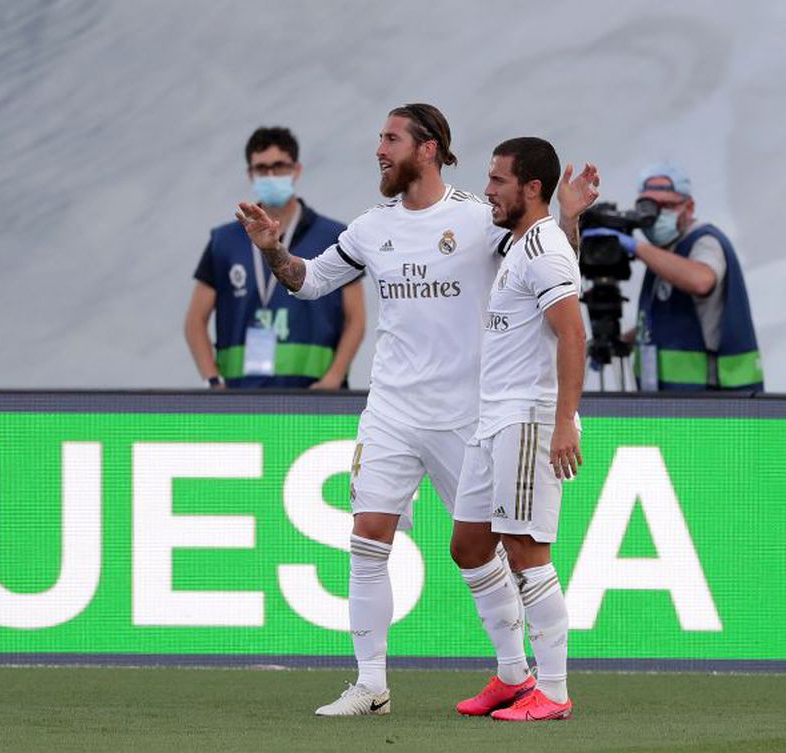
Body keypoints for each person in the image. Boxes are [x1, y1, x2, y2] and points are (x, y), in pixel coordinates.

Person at [237, 105, 597, 716]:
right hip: (392, 410)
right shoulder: (372, 228)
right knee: (367, 538)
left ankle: (517, 672)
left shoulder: (480, 218)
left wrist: (568, 216)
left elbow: (551, 261)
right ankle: (370, 683)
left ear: (428, 149)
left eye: (391, 139)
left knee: (481, 549)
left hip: (471, 413)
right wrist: (274, 251)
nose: (379, 149)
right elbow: (309, 280)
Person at [449, 137, 587, 722]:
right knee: (470, 545)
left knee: (528, 551)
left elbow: (573, 334)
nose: (488, 189)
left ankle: (552, 692)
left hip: (529, 418)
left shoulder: (542, 249)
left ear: (531, 187)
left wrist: (562, 423)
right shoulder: (528, 243)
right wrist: (570, 219)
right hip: (494, 419)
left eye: (499, 180)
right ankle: (512, 676)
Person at [186, 126, 365, 389]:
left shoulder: (334, 236)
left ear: (296, 170)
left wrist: (334, 379)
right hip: (240, 398)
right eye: (261, 168)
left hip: (316, 396)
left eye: (279, 166)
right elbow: (194, 321)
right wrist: (213, 382)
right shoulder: (223, 242)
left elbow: (357, 318)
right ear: (250, 174)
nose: (270, 175)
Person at [585, 163, 762, 391]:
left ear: (689, 208)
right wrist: (623, 340)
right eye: (649, 206)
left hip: (708, 400)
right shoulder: (665, 248)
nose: (657, 215)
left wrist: (634, 246)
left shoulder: (704, 241)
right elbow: (668, 318)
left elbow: (701, 281)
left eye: (667, 206)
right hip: (667, 399)